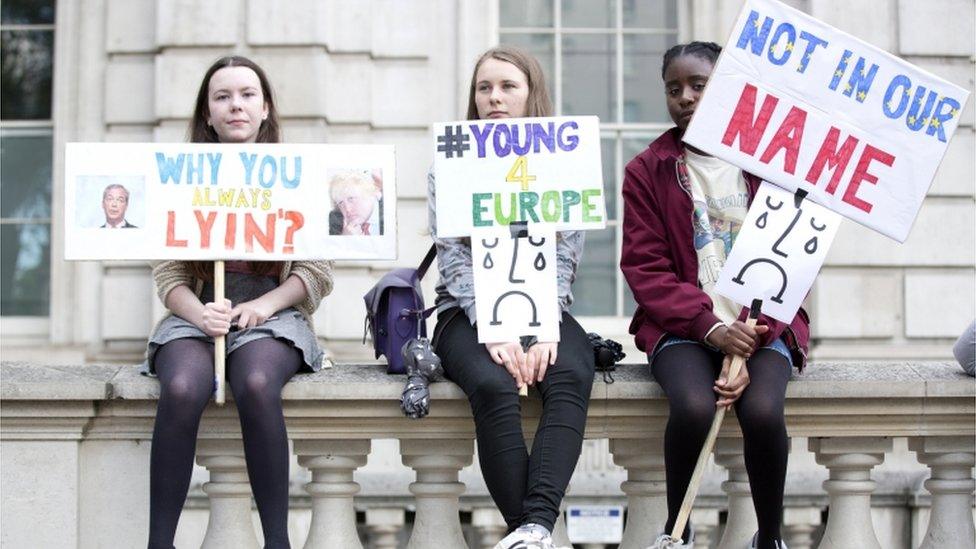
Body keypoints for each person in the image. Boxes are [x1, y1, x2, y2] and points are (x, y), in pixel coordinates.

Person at [620, 42, 810, 549]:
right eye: (673, 88)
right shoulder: (647, 169)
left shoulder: (769, 165)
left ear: (726, 87)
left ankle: (768, 537)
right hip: (683, 327)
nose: (684, 97)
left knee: (764, 412)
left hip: (764, 324)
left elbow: (792, 258)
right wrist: (713, 330)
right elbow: (645, 267)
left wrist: (748, 337)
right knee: (693, 407)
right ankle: (676, 532)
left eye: (699, 85)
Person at [144, 56, 333, 549]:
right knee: (184, 386)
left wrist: (266, 306)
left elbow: (317, 273)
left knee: (253, 381)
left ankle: (277, 540)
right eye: (222, 96)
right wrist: (198, 313)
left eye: (247, 95)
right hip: (197, 314)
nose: (236, 106)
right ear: (207, 113)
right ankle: (159, 542)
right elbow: (168, 275)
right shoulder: (181, 176)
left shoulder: (297, 175)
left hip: (275, 317)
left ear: (265, 107)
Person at [428, 45, 594, 549]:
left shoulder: (562, 160)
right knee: (494, 385)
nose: (494, 98)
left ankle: (532, 529)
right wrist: (493, 325)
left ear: (531, 94)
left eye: (507, 87)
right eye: (484, 88)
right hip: (466, 312)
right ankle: (535, 529)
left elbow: (565, 254)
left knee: (570, 372)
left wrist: (543, 324)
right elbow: (452, 256)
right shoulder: (452, 159)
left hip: (544, 304)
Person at [328, 170, 383, 235]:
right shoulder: (335, 223)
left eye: (351, 199)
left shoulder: (389, 213)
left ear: (369, 193)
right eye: (340, 203)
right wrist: (345, 238)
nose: (347, 209)